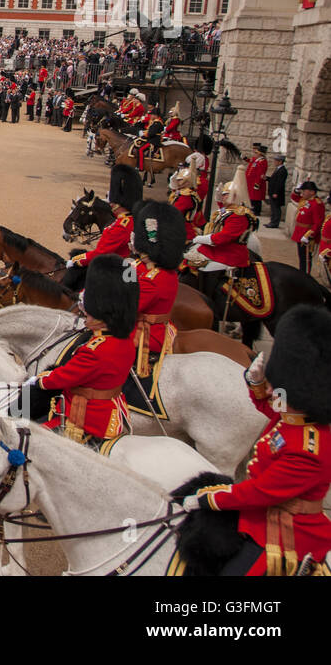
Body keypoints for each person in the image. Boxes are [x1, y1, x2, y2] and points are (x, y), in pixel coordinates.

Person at [185, 305, 331, 576]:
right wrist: (256, 384)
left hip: (286, 533)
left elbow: (260, 492)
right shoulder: (297, 417)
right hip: (262, 515)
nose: (275, 389)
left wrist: (209, 498)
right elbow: (272, 410)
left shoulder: (309, 449)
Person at [24, 254, 138, 444]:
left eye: (89, 315)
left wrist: (38, 380)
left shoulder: (94, 350)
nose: (86, 318)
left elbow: (65, 377)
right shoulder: (124, 341)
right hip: (112, 413)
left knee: (32, 442)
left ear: (102, 316)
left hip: (87, 419)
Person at [185, 166, 259, 301]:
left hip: (230, 253)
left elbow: (224, 237)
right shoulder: (230, 210)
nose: (223, 197)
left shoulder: (239, 215)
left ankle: (208, 299)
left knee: (205, 268)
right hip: (219, 249)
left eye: (225, 194)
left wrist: (200, 238)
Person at [130, 200, 186, 378]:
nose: (141, 254)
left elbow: (127, 307)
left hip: (147, 334)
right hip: (158, 328)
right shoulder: (163, 272)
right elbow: (130, 273)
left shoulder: (154, 280)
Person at [68, 164, 140, 269]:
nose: (110, 204)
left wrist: (76, 260)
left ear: (119, 203)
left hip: (118, 269)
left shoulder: (122, 226)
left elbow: (101, 252)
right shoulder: (130, 220)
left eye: (113, 202)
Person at [290, 181, 325, 274]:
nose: (302, 193)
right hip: (299, 232)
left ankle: (305, 275)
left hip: (307, 234)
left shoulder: (317, 204)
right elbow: (294, 197)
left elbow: (318, 223)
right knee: (301, 257)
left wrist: (308, 235)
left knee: (306, 258)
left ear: (312, 192)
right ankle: (302, 274)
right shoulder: (306, 200)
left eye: (304, 191)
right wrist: (296, 190)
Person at [246, 143, 268, 221]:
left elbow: (260, 173)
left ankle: (256, 210)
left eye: (256, 153)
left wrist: (257, 183)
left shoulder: (262, 161)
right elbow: (251, 162)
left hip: (256, 182)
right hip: (251, 181)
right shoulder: (257, 160)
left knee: (256, 197)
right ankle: (253, 208)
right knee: (253, 196)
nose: (254, 154)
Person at [266, 154, 289, 228]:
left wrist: (276, 192)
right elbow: (274, 180)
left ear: (280, 161)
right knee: (273, 208)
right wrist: (267, 178)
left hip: (276, 193)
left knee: (276, 208)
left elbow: (280, 183)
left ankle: (275, 223)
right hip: (272, 191)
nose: (274, 162)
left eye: (276, 160)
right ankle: (272, 221)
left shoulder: (282, 170)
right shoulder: (278, 169)